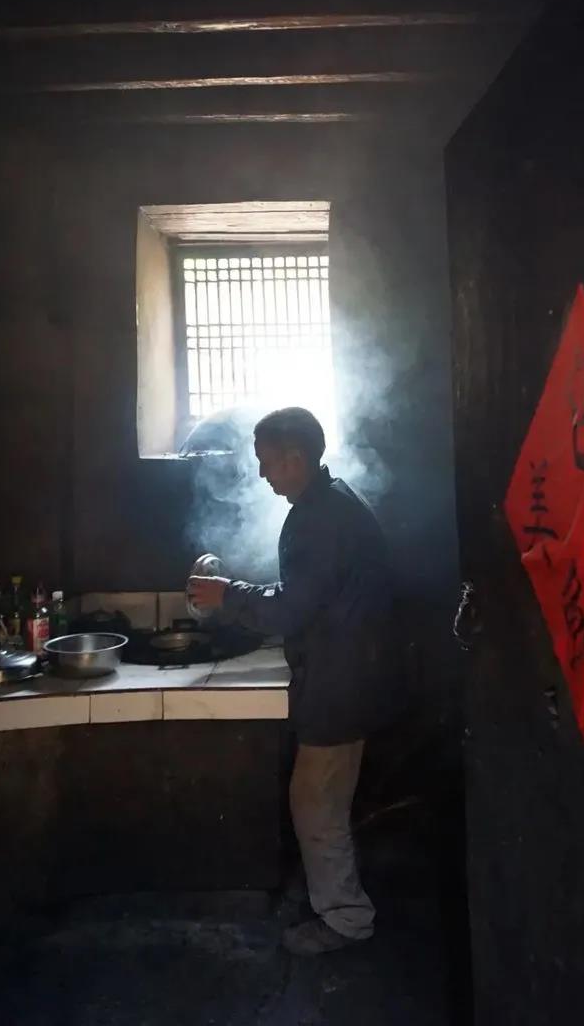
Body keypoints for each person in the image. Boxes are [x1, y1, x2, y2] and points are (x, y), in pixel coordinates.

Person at [188, 406, 402, 957]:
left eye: (267, 462)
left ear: (296, 458)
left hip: (340, 681)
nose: (262, 473)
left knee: (316, 803)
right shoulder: (329, 503)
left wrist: (227, 595)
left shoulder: (320, 519)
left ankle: (346, 920)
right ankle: (338, 905)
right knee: (321, 799)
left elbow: (292, 609)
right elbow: (310, 593)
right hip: (349, 672)